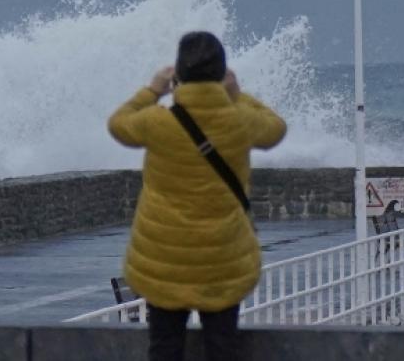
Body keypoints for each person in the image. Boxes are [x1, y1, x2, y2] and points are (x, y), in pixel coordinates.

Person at [108, 31, 286, 361]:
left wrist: (153, 89)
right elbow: (275, 128)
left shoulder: (157, 122)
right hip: (222, 259)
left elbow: (119, 124)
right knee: (222, 347)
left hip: (164, 260)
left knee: (164, 348)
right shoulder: (239, 120)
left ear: (178, 74)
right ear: (221, 73)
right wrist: (237, 94)